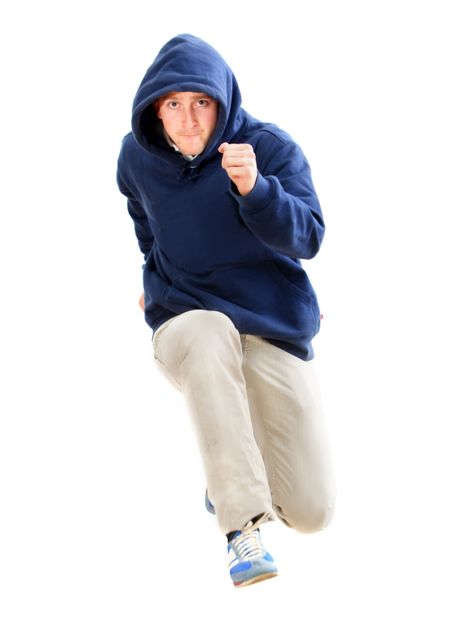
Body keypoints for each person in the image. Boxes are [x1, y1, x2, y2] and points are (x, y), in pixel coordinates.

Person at [116, 33, 336, 588]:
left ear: (223, 101)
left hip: (266, 325)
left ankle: (226, 471)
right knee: (209, 331)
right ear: (154, 108)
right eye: (173, 104)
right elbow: (147, 227)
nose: (188, 120)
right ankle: (242, 531)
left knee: (312, 513)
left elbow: (308, 237)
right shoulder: (136, 157)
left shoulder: (268, 147)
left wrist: (256, 188)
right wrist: (153, 278)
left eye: (201, 103)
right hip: (186, 321)